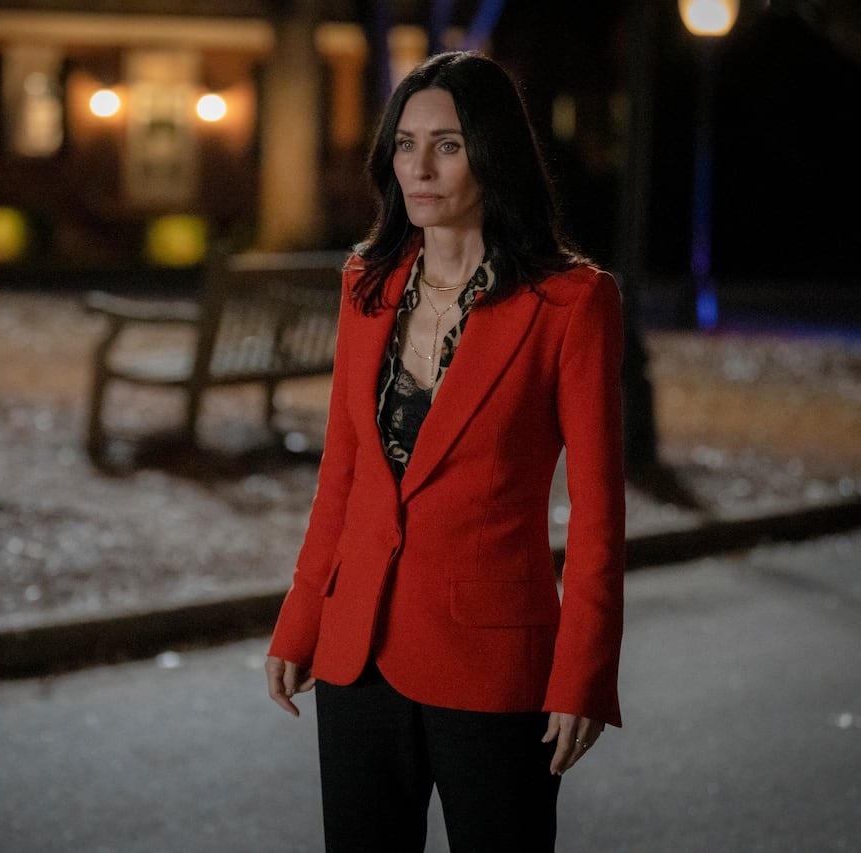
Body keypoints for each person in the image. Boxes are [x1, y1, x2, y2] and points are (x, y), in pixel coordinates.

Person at [264, 50, 625, 852]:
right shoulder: (367, 284)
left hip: (494, 665)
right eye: (404, 143)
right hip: (357, 657)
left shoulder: (571, 304)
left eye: (448, 145)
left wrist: (584, 673)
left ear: (493, 155)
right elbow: (344, 474)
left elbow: (599, 512)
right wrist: (302, 617)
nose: (418, 168)